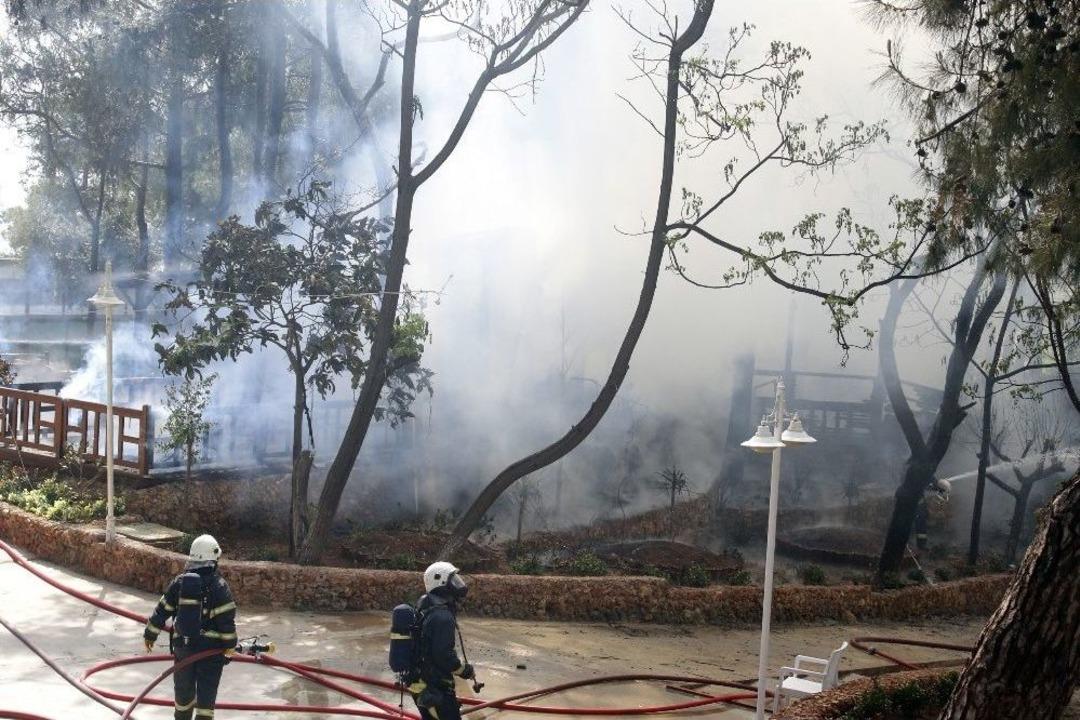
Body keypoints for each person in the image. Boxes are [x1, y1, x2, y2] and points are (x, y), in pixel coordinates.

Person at [143, 534, 238, 720]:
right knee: (206, 698)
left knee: (183, 695)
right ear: (213, 559)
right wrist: (230, 646)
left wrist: (150, 635)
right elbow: (226, 622)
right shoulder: (219, 586)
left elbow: (162, 611)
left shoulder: (180, 583)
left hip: (183, 647)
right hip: (211, 652)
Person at [410, 561, 475, 720]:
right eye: (453, 580)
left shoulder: (425, 605)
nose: (458, 584)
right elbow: (443, 655)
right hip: (435, 687)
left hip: (419, 682)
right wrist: (464, 670)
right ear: (440, 582)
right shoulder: (442, 617)